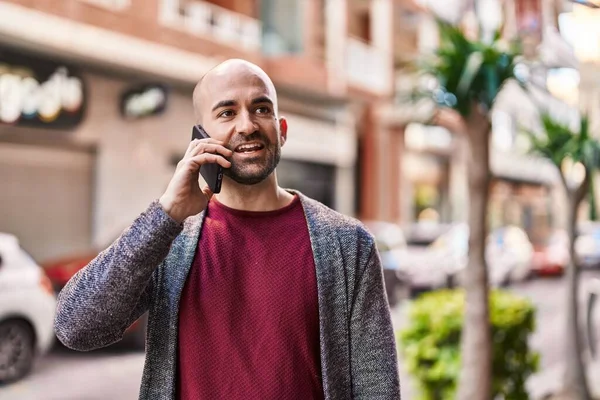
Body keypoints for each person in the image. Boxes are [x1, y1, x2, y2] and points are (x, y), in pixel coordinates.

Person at [54, 59, 400, 400]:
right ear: (200, 137)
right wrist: (166, 214)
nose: (247, 125)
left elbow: (377, 387)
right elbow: (76, 328)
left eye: (261, 109)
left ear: (281, 130)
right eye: (227, 112)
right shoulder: (169, 237)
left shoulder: (348, 245)